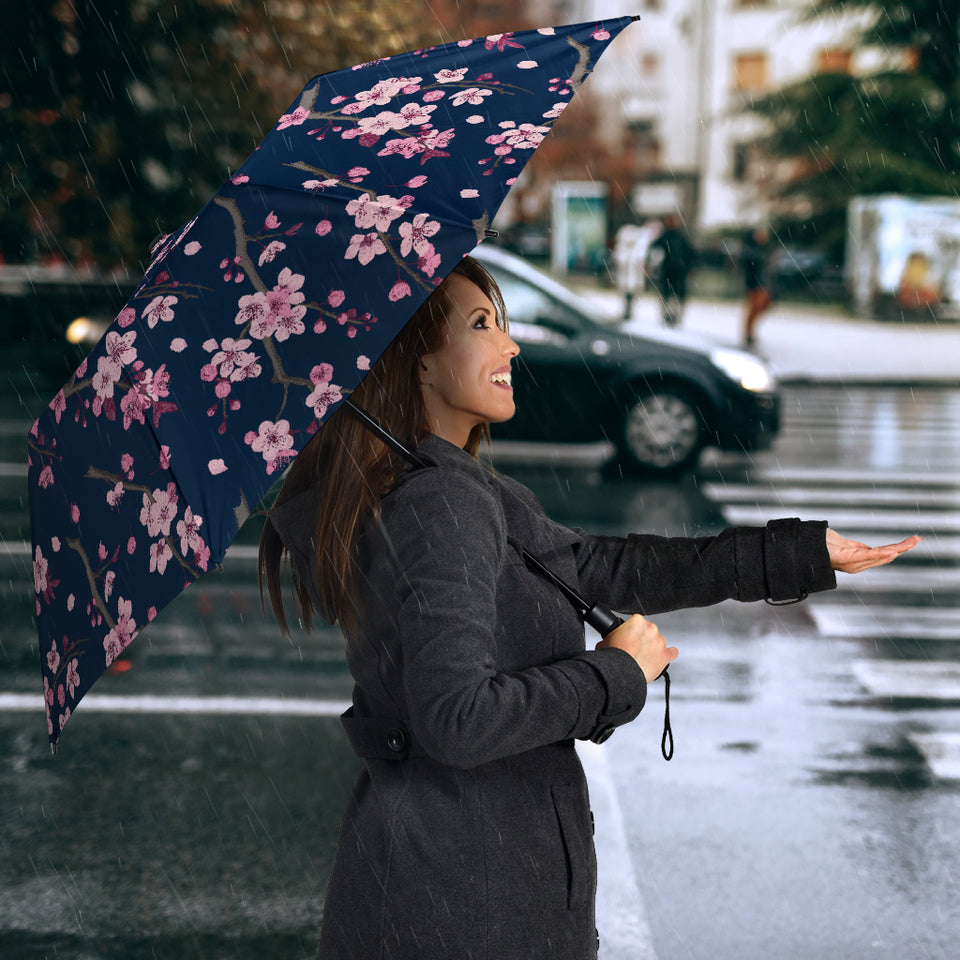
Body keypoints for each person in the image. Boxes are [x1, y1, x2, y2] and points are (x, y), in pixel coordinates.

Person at [259, 255, 919, 960]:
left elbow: (603, 568)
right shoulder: (439, 504)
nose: (510, 345)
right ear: (417, 363)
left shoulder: (453, 488)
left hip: (454, 883)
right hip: (466, 902)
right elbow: (456, 720)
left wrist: (796, 553)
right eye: (482, 325)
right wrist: (613, 674)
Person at [648, 213, 695, 327]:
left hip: (679, 271)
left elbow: (690, 253)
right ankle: (667, 315)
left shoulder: (681, 237)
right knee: (667, 294)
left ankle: (675, 316)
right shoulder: (665, 236)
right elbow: (654, 249)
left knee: (677, 295)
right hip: (668, 270)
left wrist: (690, 267)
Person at [741, 226, 773, 347]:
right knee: (754, 308)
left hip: (763, 283)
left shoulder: (763, 249)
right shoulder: (751, 250)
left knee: (762, 306)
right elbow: (750, 265)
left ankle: (750, 331)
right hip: (755, 284)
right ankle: (748, 333)